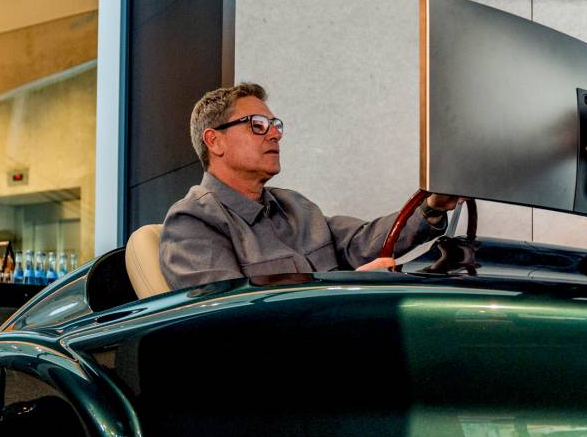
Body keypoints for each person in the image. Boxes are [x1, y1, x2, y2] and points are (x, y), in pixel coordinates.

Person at [159, 82, 459, 290]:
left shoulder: (295, 206)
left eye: (275, 125)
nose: (275, 135)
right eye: (258, 125)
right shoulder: (192, 222)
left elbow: (362, 242)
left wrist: (430, 208)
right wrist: (348, 291)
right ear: (215, 141)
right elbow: (227, 319)